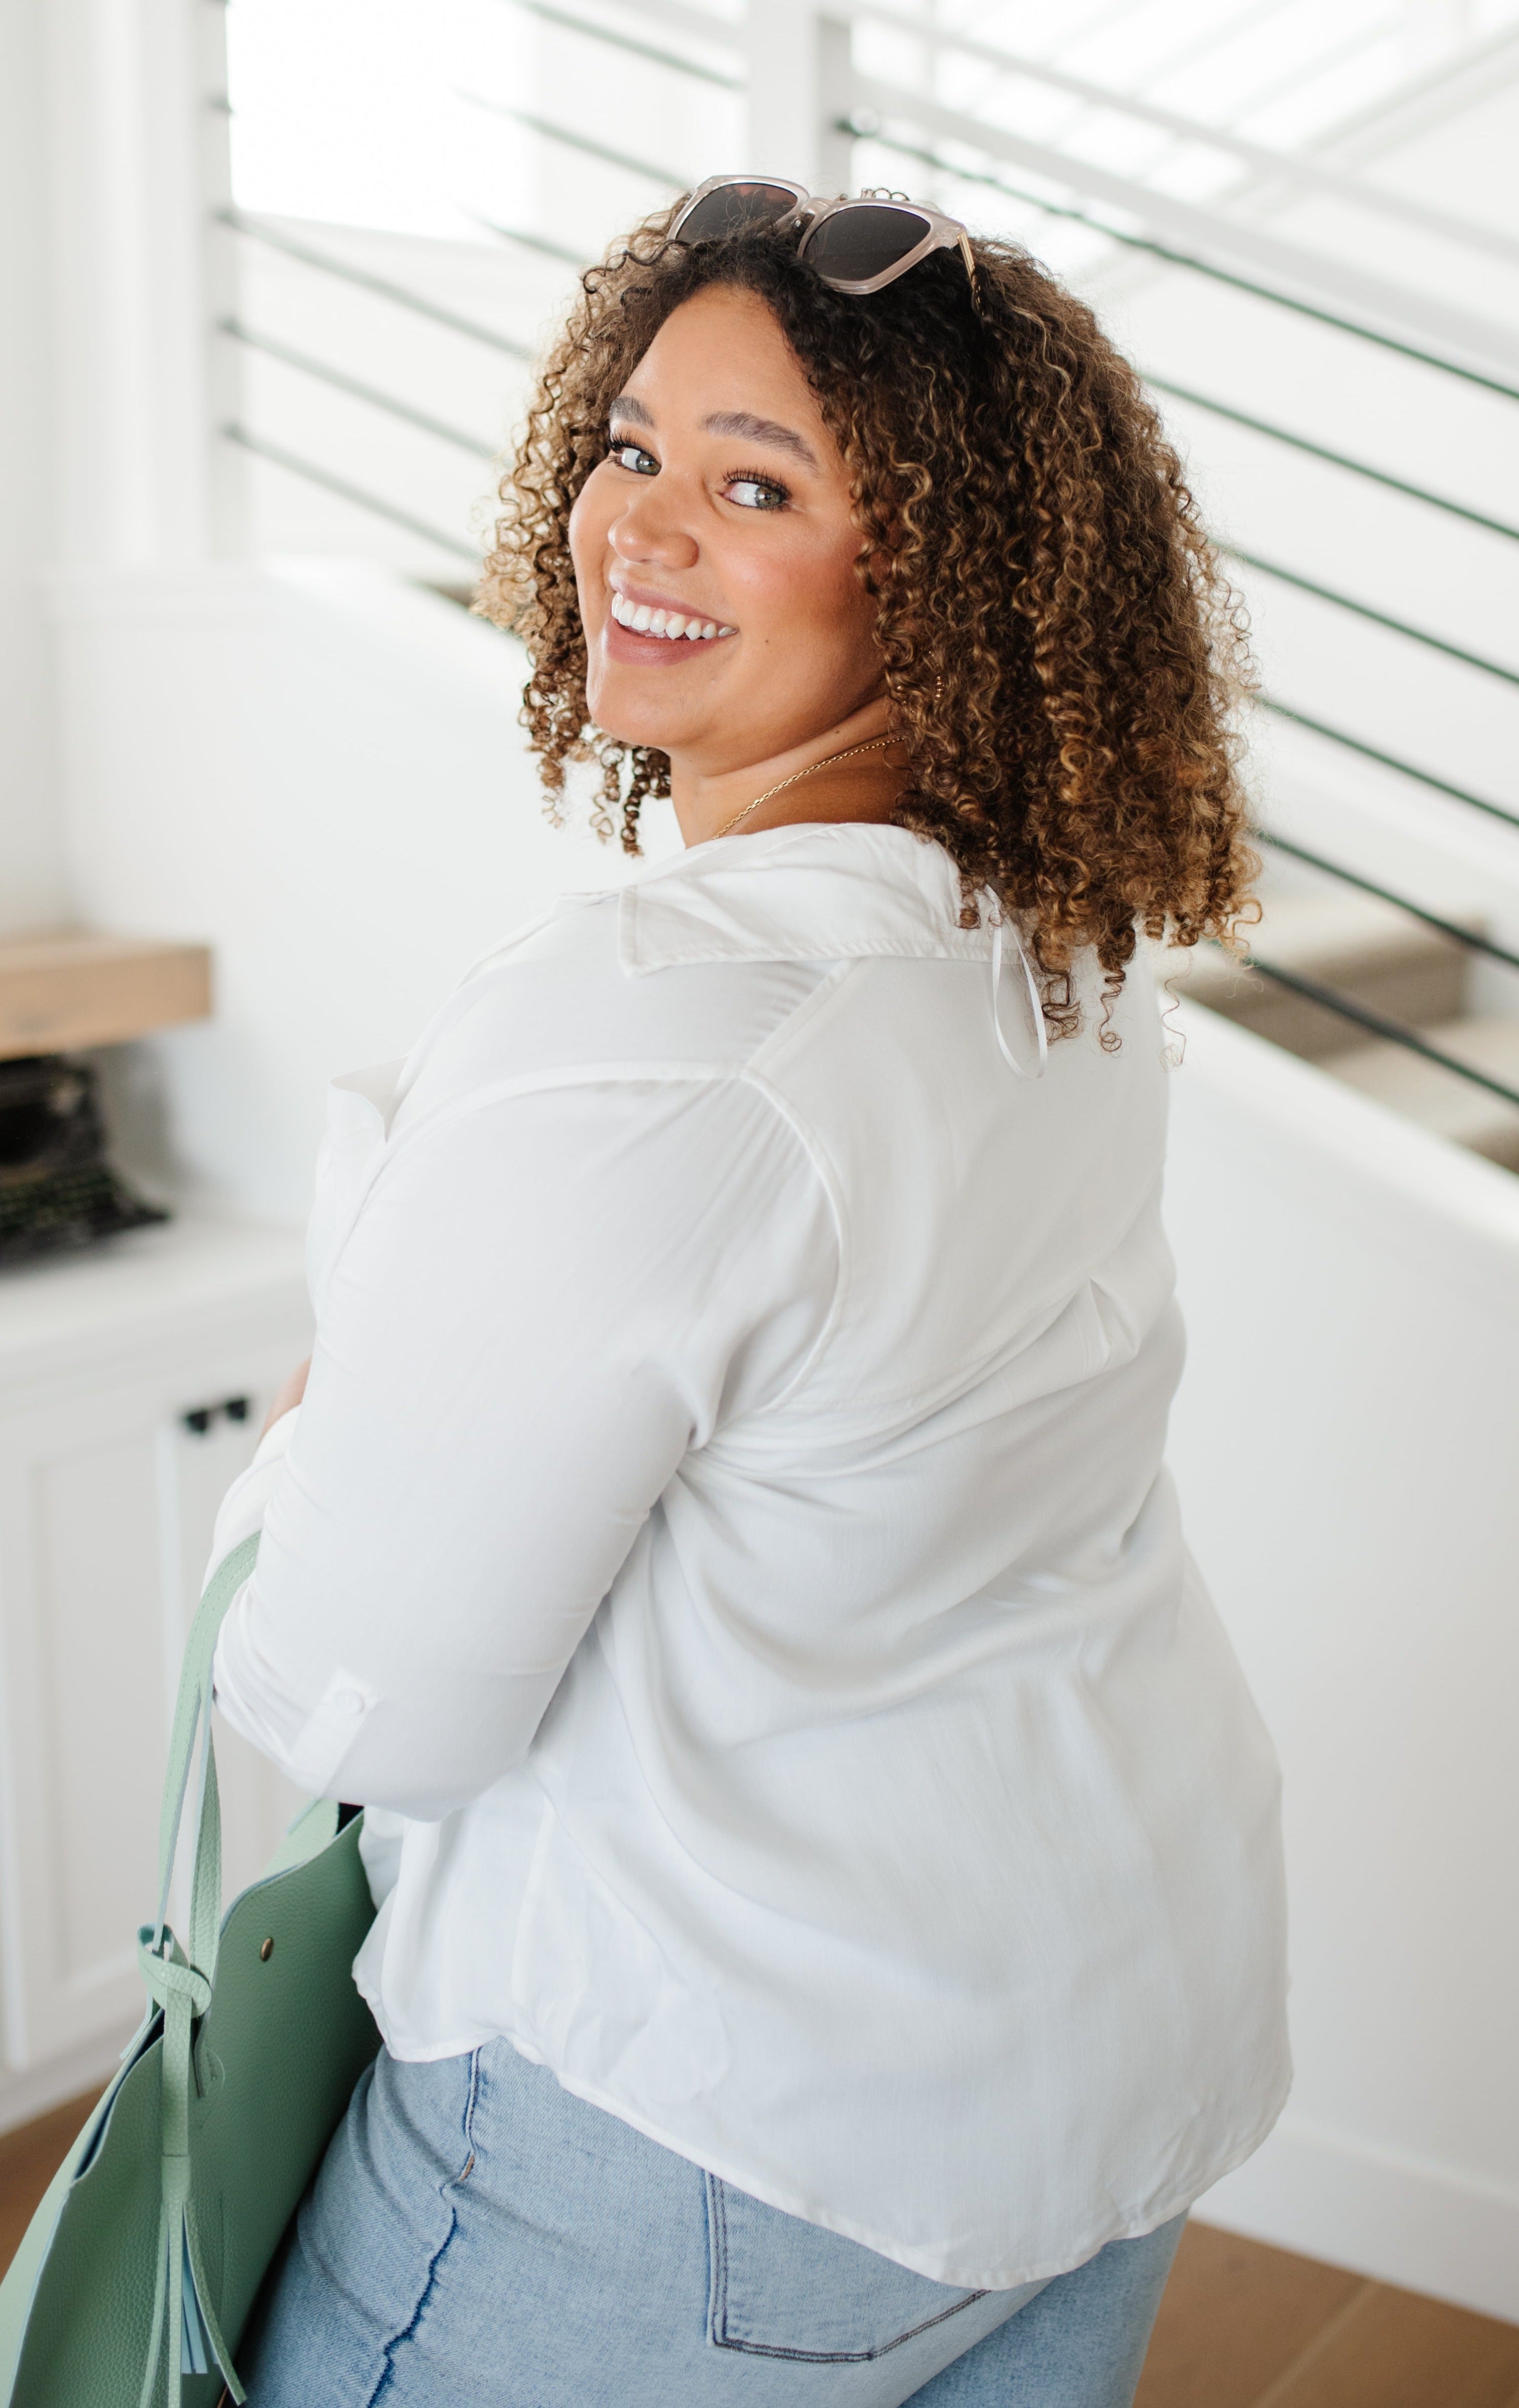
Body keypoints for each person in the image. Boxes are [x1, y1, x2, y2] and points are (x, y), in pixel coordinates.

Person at [212, 180, 1289, 2407]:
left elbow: (357, 1708)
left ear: (945, 577)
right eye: (627, 447)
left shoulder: (666, 1023)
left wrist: (312, 1447)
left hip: (711, 2132)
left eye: (757, 482)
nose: (643, 525)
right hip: (1103, 2047)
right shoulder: (1049, 967)